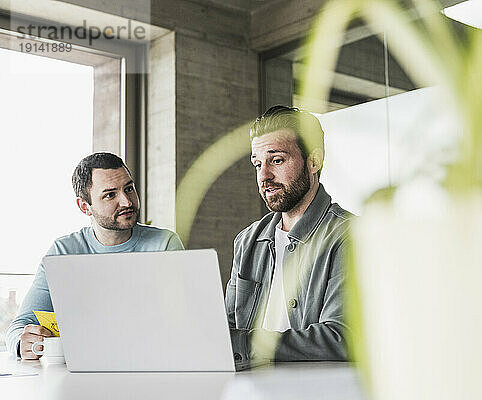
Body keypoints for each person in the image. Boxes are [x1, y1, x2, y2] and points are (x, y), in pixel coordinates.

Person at [6, 152, 184, 359]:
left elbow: (183, 321)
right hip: (79, 376)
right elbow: (20, 325)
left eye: (129, 189)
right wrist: (23, 343)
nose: (126, 202)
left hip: (150, 365)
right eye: (110, 195)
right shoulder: (63, 252)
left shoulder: (164, 244)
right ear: (85, 206)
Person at [226, 105, 353, 362]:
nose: (264, 176)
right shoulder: (247, 241)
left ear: (313, 161)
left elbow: (340, 337)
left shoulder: (348, 236)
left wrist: (245, 343)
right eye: (257, 164)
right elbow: (227, 328)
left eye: (277, 160)